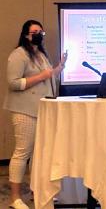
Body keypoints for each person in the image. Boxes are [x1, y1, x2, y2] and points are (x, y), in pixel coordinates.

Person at [3, 20, 67, 209]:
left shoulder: (40, 54)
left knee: (39, 155)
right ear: (25, 35)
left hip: (43, 110)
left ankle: (37, 192)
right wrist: (42, 76)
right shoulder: (19, 54)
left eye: (41, 31)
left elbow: (48, 77)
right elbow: (13, 83)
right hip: (25, 111)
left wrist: (60, 67)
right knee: (23, 153)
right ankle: (15, 198)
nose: (38, 34)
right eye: (34, 32)